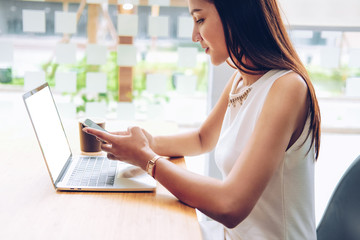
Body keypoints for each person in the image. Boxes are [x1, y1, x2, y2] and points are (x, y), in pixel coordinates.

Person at [83, 0, 321, 239]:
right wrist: (148, 143)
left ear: (237, 14)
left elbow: (231, 205)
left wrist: (146, 159)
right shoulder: (242, 77)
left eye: (200, 19)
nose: (194, 35)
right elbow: (202, 139)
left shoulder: (287, 88)